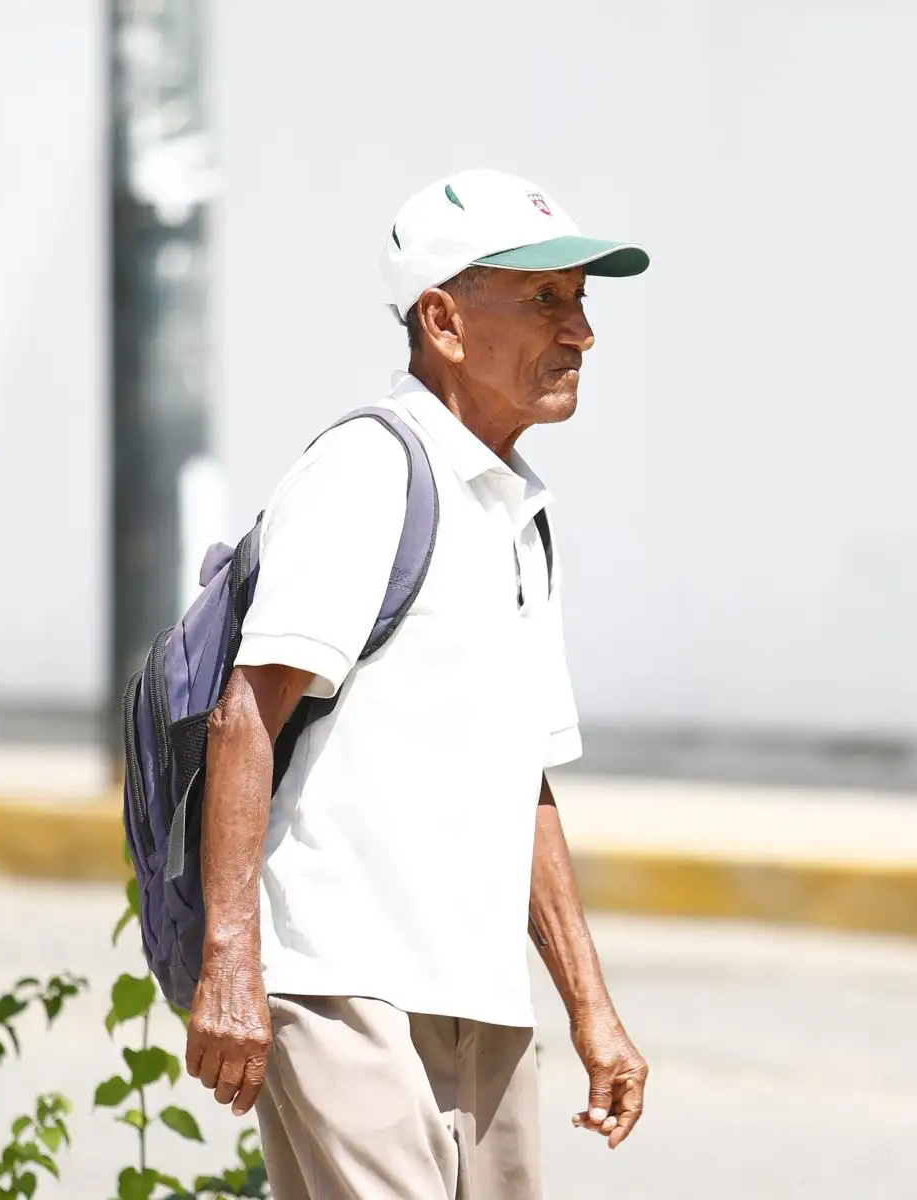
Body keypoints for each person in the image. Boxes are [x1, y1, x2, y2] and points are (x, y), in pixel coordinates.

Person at [182, 168, 653, 1198]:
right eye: (543, 300)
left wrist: (591, 1006)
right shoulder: (370, 471)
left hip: (480, 992)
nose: (579, 333)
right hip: (341, 981)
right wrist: (231, 962)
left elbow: (522, 778)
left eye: (581, 301)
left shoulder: (518, 512)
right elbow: (242, 717)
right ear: (442, 320)